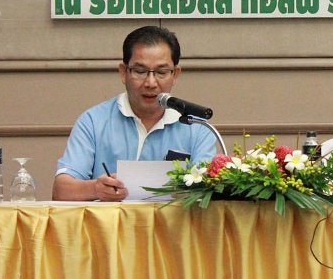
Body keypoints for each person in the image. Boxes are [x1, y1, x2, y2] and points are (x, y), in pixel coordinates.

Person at [52, 26, 217, 201]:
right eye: (140, 71)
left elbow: (208, 192)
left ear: (175, 74)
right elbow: (61, 191)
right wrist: (95, 189)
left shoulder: (197, 127)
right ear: (123, 72)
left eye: (161, 72)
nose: (150, 83)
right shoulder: (93, 121)